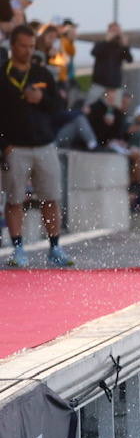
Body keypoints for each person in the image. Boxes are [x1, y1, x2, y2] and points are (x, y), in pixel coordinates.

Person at [0, 24, 74, 267]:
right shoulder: (3, 74)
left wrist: (41, 98)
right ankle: (18, 249)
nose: (28, 51)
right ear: (13, 46)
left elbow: (59, 109)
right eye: (23, 46)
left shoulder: (42, 74)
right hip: (15, 147)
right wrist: (5, 144)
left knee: (51, 197)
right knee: (14, 200)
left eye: (32, 46)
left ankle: (55, 247)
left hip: (44, 144)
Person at [89, 22, 132, 104]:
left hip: (114, 86)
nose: (115, 33)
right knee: (92, 107)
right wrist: (106, 41)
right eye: (113, 31)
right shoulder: (101, 44)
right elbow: (94, 52)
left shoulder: (120, 47)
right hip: (99, 84)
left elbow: (129, 60)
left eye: (117, 31)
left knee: (114, 111)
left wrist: (125, 46)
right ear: (108, 31)